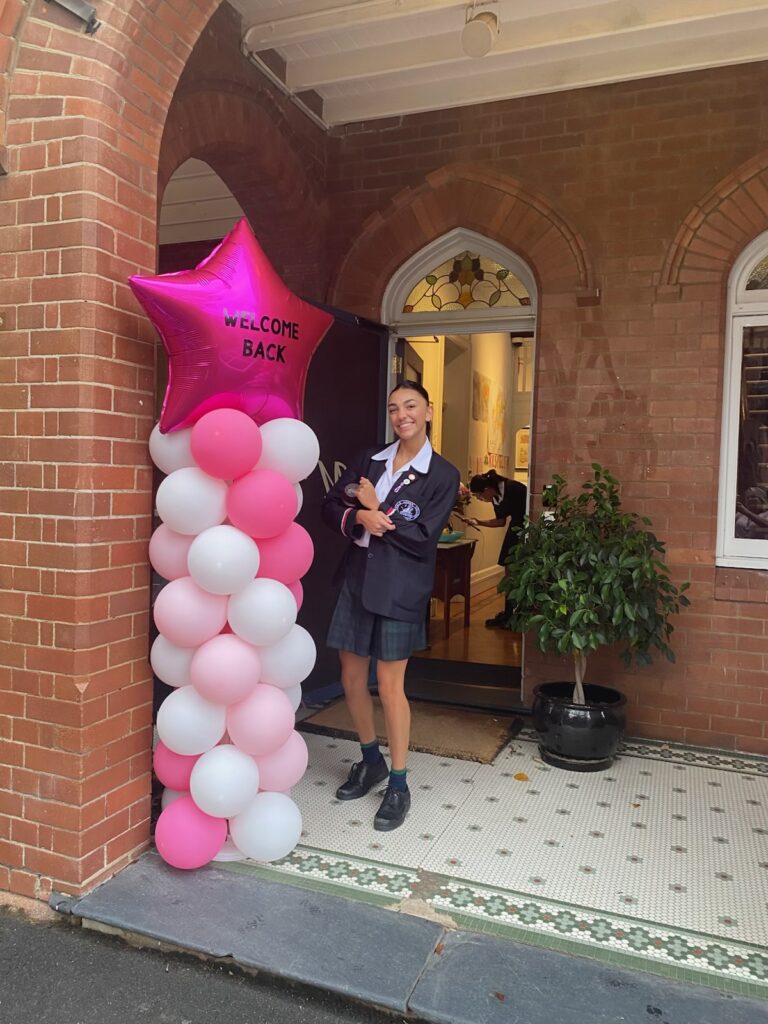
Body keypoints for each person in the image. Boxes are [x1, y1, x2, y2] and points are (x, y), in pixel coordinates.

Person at [321, 381, 460, 831]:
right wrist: (358, 516)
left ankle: (398, 783)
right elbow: (330, 506)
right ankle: (370, 760)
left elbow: (422, 538)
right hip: (357, 581)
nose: (402, 415)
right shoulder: (370, 459)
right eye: (394, 408)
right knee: (351, 676)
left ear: (429, 412)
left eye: (411, 406)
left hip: (401, 588)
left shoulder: (442, 474)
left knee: (390, 685)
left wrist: (375, 506)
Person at [467, 469, 527, 628]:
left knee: (515, 572)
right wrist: (478, 522)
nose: (481, 499)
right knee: (509, 570)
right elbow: (500, 521)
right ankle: (509, 613)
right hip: (515, 528)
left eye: (479, 495)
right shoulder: (496, 495)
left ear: (487, 489)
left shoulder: (513, 488)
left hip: (526, 528)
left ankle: (517, 615)